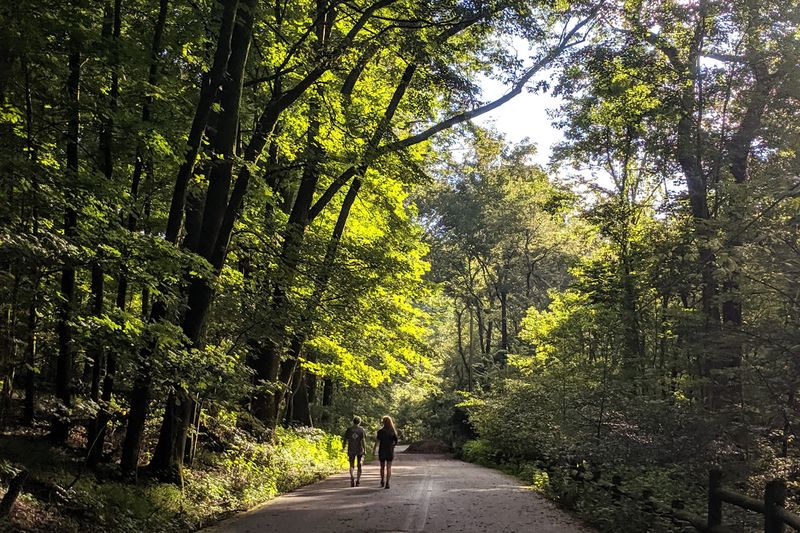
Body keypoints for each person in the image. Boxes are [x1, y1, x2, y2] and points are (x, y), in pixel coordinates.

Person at [373, 415, 398, 489]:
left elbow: (377, 442)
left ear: (383, 422)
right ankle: (387, 482)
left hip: (382, 450)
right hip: (389, 451)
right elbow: (396, 441)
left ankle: (382, 480)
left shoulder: (380, 432)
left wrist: (374, 450)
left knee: (382, 467)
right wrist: (392, 446)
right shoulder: (393, 431)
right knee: (389, 467)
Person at [343, 416, 367, 487]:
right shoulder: (361, 430)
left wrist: (343, 447)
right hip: (359, 449)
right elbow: (363, 440)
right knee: (359, 464)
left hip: (351, 449)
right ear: (359, 422)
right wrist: (365, 449)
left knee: (351, 464)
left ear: (353, 421)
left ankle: (352, 477)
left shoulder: (349, 429)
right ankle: (358, 480)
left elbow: (345, 439)